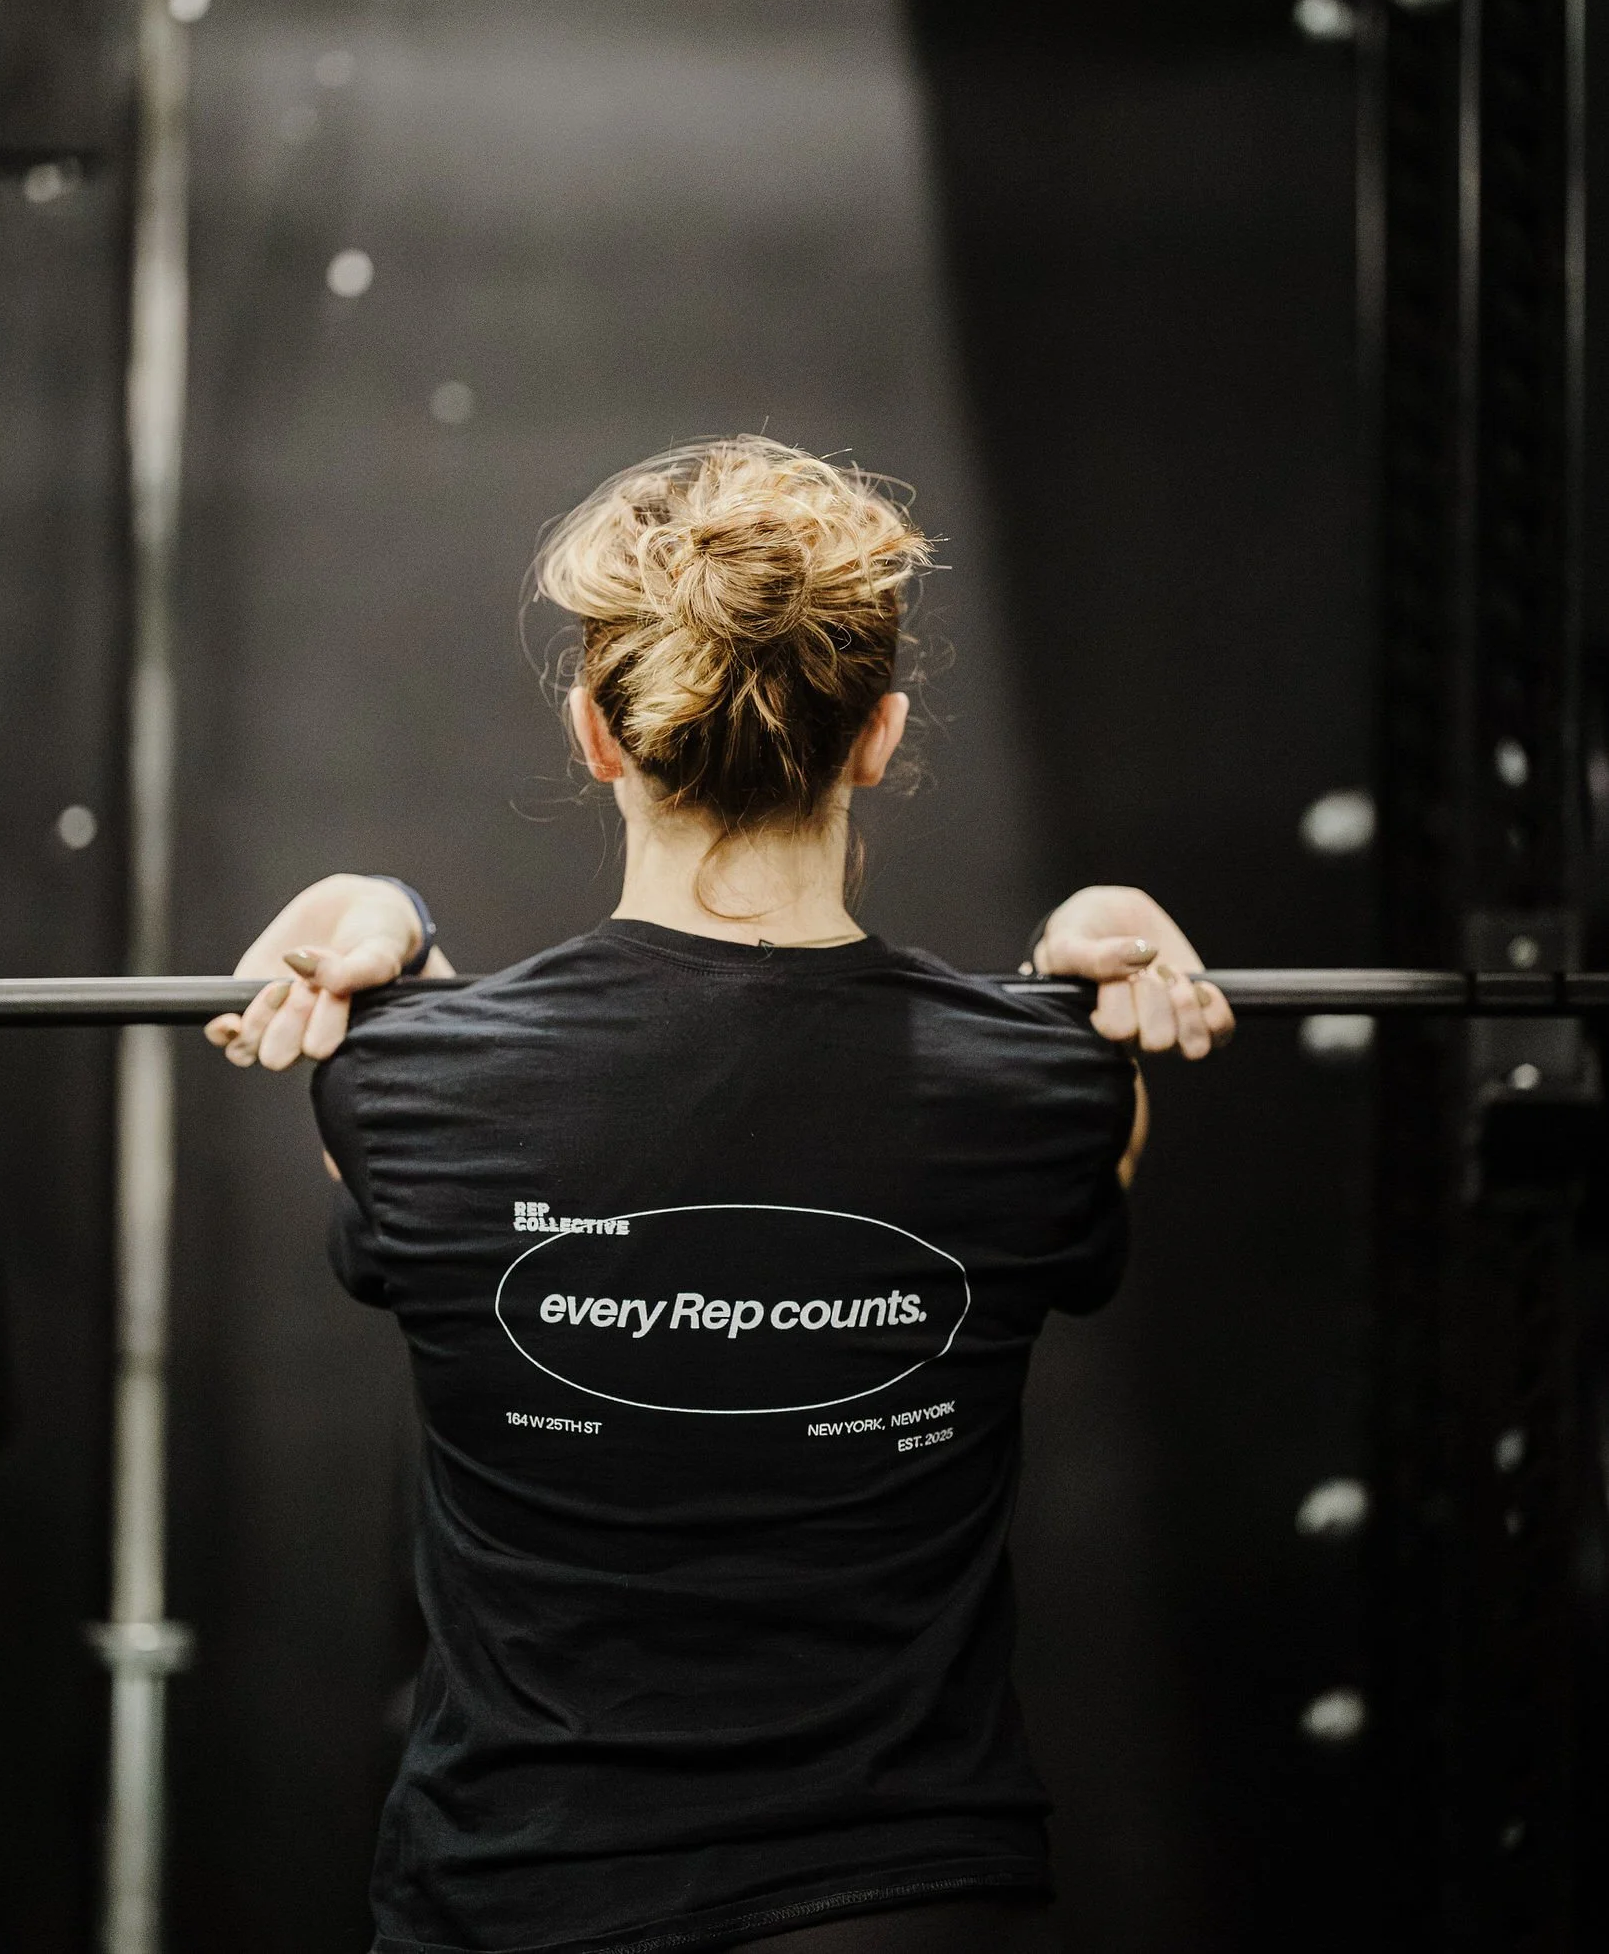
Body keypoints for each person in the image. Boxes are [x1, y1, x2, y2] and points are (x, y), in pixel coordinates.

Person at [207, 436, 1232, 1954]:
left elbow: (403, 1075)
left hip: (519, 1900)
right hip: (902, 1902)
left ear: (597, 733)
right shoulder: (1048, 1090)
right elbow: (1098, 1089)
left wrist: (397, 920)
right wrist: (1084, 950)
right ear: (876, 735)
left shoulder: (401, 1088)